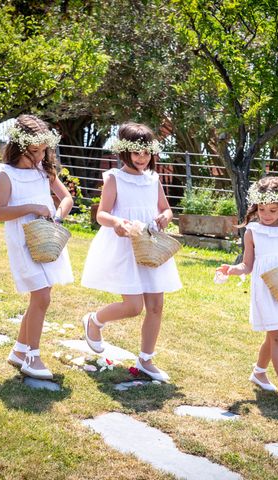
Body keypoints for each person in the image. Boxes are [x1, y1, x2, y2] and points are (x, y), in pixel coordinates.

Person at [81, 122, 181, 382]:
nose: (142, 158)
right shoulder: (115, 178)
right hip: (126, 246)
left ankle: (146, 360)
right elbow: (102, 214)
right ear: (124, 151)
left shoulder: (153, 179)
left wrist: (164, 217)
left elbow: (166, 208)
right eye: (136, 152)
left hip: (150, 245)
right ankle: (94, 321)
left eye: (146, 153)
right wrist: (117, 223)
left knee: (156, 305)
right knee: (134, 306)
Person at [0, 114, 74, 380]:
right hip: (23, 240)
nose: (39, 157)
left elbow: (67, 199)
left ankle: (18, 350)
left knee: (40, 295)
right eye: (33, 152)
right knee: (41, 296)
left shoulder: (44, 172)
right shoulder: (7, 174)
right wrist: (31, 208)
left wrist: (57, 216)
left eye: (43, 151)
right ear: (18, 147)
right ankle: (32, 356)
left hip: (46, 239)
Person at [216, 176, 278, 403]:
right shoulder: (253, 231)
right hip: (265, 289)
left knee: (273, 334)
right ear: (256, 206)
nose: (266, 215)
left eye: (272, 210)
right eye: (262, 209)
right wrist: (232, 270)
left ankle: (259, 372)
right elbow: (247, 265)